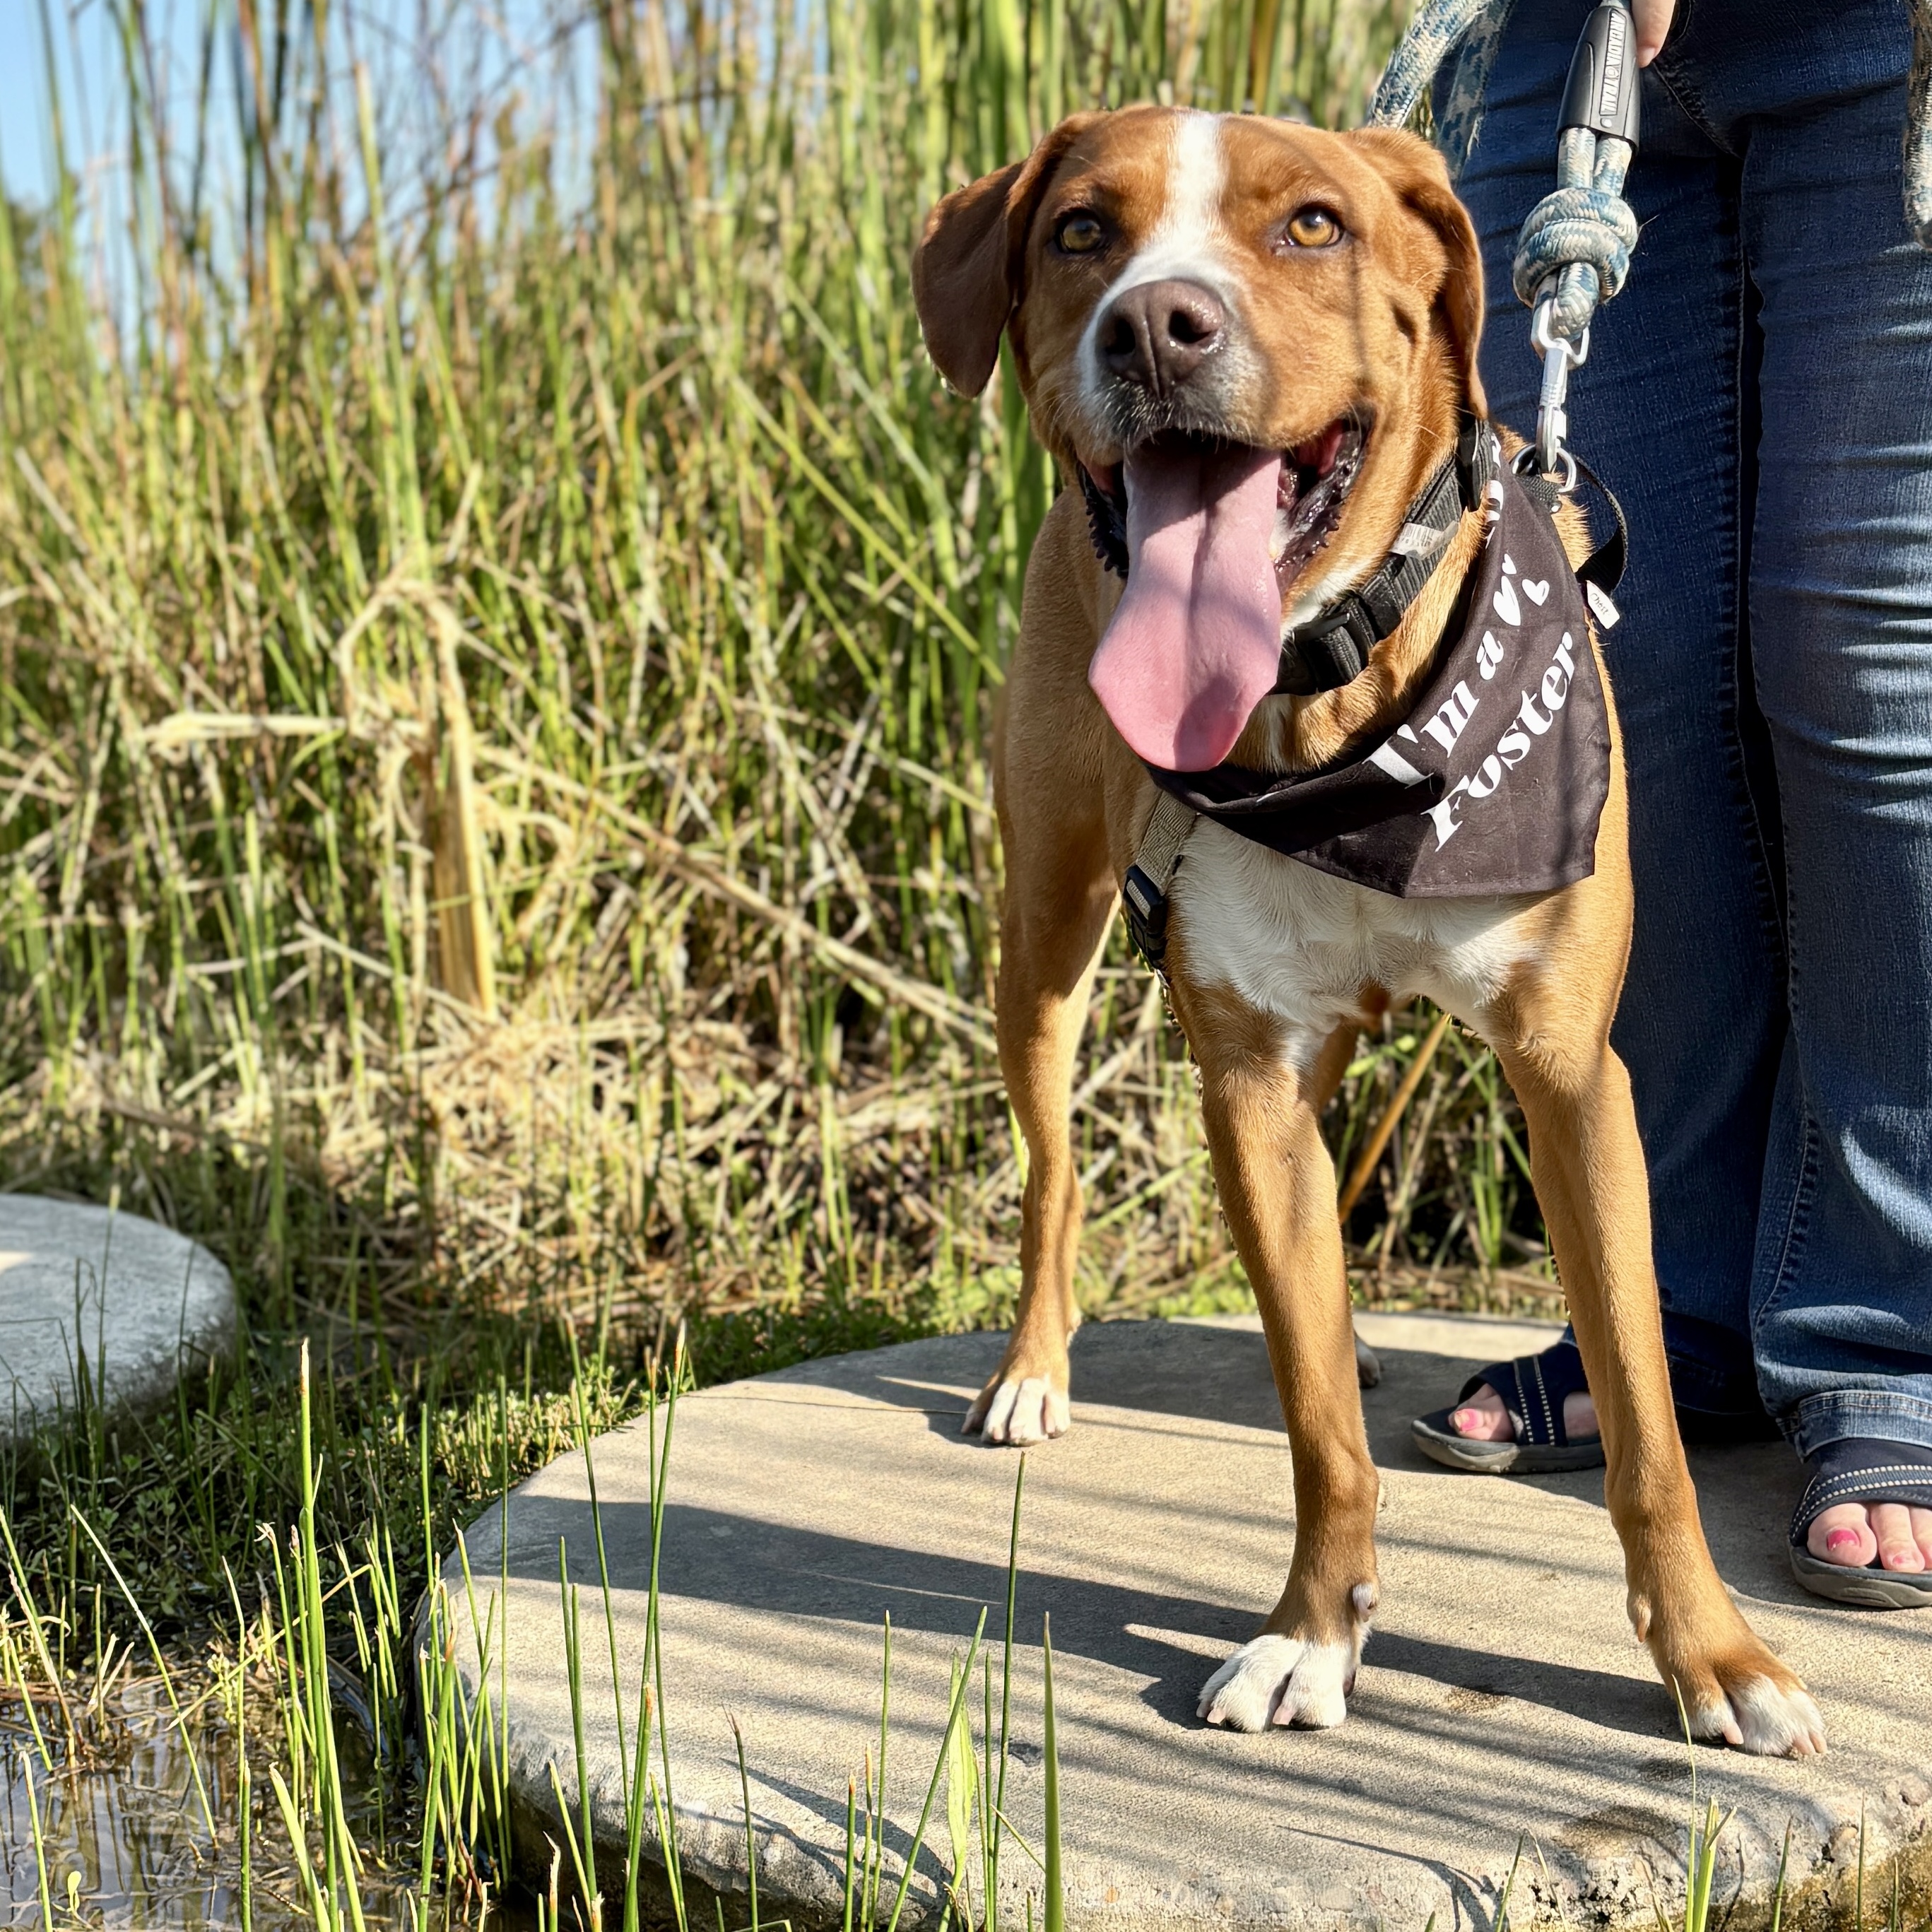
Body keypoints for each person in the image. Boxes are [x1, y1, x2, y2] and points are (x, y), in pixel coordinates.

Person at [1405, 0, 1932, 1603]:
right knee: (1615, 661)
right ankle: (1667, 1304)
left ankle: (1886, 1338)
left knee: (1870, 677)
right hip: (1552, 36)